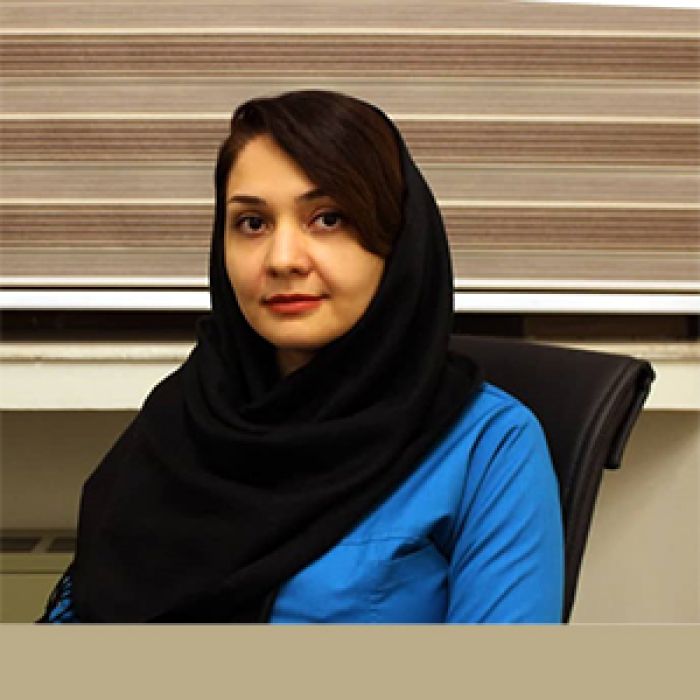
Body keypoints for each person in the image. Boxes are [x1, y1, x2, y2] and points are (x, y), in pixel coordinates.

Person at [37, 89, 563, 624]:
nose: (283, 259)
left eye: (328, 218)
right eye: (252, 223)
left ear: (396, 237)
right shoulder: (186, 415)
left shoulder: (489, 445)